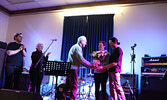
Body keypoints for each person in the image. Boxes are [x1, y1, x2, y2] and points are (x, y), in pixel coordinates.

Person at [61, 36, 96, 100]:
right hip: (72, 69)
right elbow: (81, 59)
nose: (86, 44)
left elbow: (79, 60)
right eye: (85, 42)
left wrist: (89, 66)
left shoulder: (75, 47)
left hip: (70, 68)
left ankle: (62, 98)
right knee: (74, 86)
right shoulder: (77, 47)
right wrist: (90, 65)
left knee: (68, 85)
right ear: (81, 41)